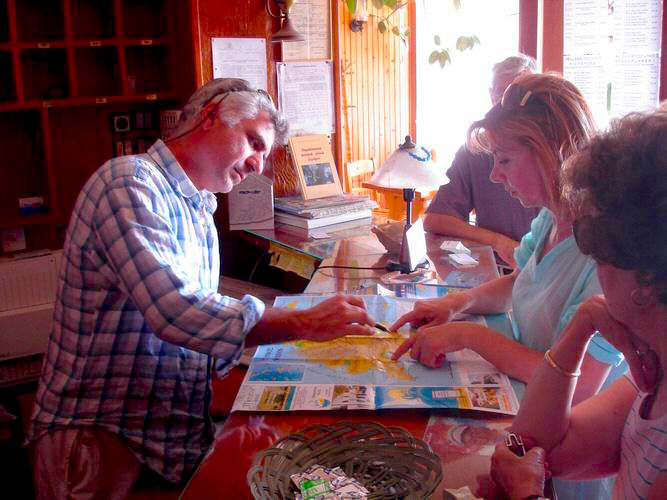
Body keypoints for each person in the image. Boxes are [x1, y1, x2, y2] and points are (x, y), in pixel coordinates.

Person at [27, 78, 376, 498]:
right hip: (102, 441)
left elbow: (200, 319)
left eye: (264, 154)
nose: (257, 166)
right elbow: (177, 311)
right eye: (253, 142)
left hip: (166, 439)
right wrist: (303, 323)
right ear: (211, 117)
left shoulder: (198, 207)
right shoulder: (128, 182)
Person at [490, 108, 667, 499]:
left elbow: (525, 464)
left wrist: (527, 495)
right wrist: (581, 325)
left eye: (598, 251)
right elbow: (535, 448)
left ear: (644, 279)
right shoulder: (651, 377)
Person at [424, 54, 541, 267]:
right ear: (491, 95)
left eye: (517, 95)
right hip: (497, 269)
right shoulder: (474, 150)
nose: (507, 104)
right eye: (500, 94)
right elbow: (434, 219)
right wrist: (498, 242)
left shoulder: (554, 154)